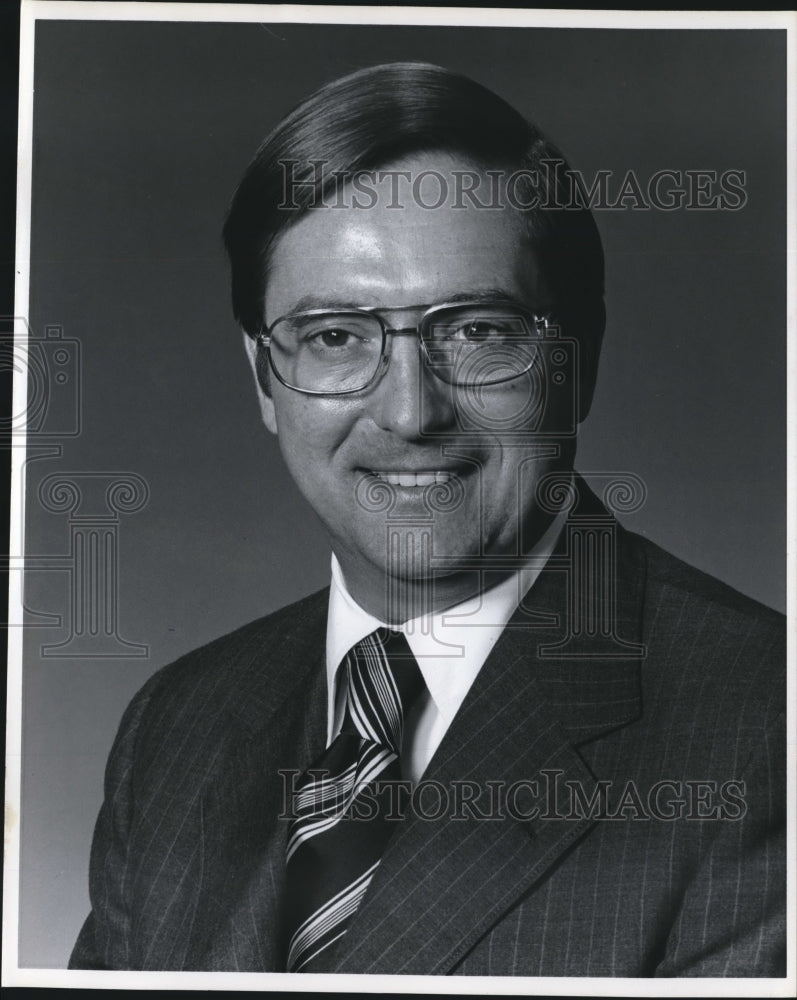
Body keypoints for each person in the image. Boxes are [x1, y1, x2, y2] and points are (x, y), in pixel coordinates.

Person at [69, 62, 785, 977]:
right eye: (335, 336)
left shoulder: (764, 732)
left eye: (478, 331)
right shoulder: (176, 728)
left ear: (579, 359)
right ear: (262, 378)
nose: (410, 413)